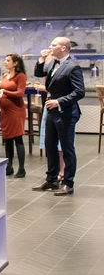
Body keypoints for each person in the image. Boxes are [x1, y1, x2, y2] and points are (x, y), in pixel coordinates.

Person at [32, 37, 84, 195]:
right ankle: (51, 179)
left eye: (54, 45)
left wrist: (59, 101)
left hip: (65, 113)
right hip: (52, 112)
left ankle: (68, 182)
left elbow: (79, 91)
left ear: (63, 48)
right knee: (50, 145)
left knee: (67, 148)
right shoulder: (53, 63)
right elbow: (39, 72)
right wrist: (41, 60)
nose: (50, 47)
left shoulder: (73, 67)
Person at [0, 54, 28, 178]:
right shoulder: (5, 76)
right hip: (5, 112)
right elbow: (1, 88)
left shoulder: (20, 76)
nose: (5, 62)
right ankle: (9, 166)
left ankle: (21, 168)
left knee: (18, 139)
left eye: (8, 60)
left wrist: (2, 91)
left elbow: (20, 93)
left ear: (15, 63)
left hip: (15, 111)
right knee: (8, 139)